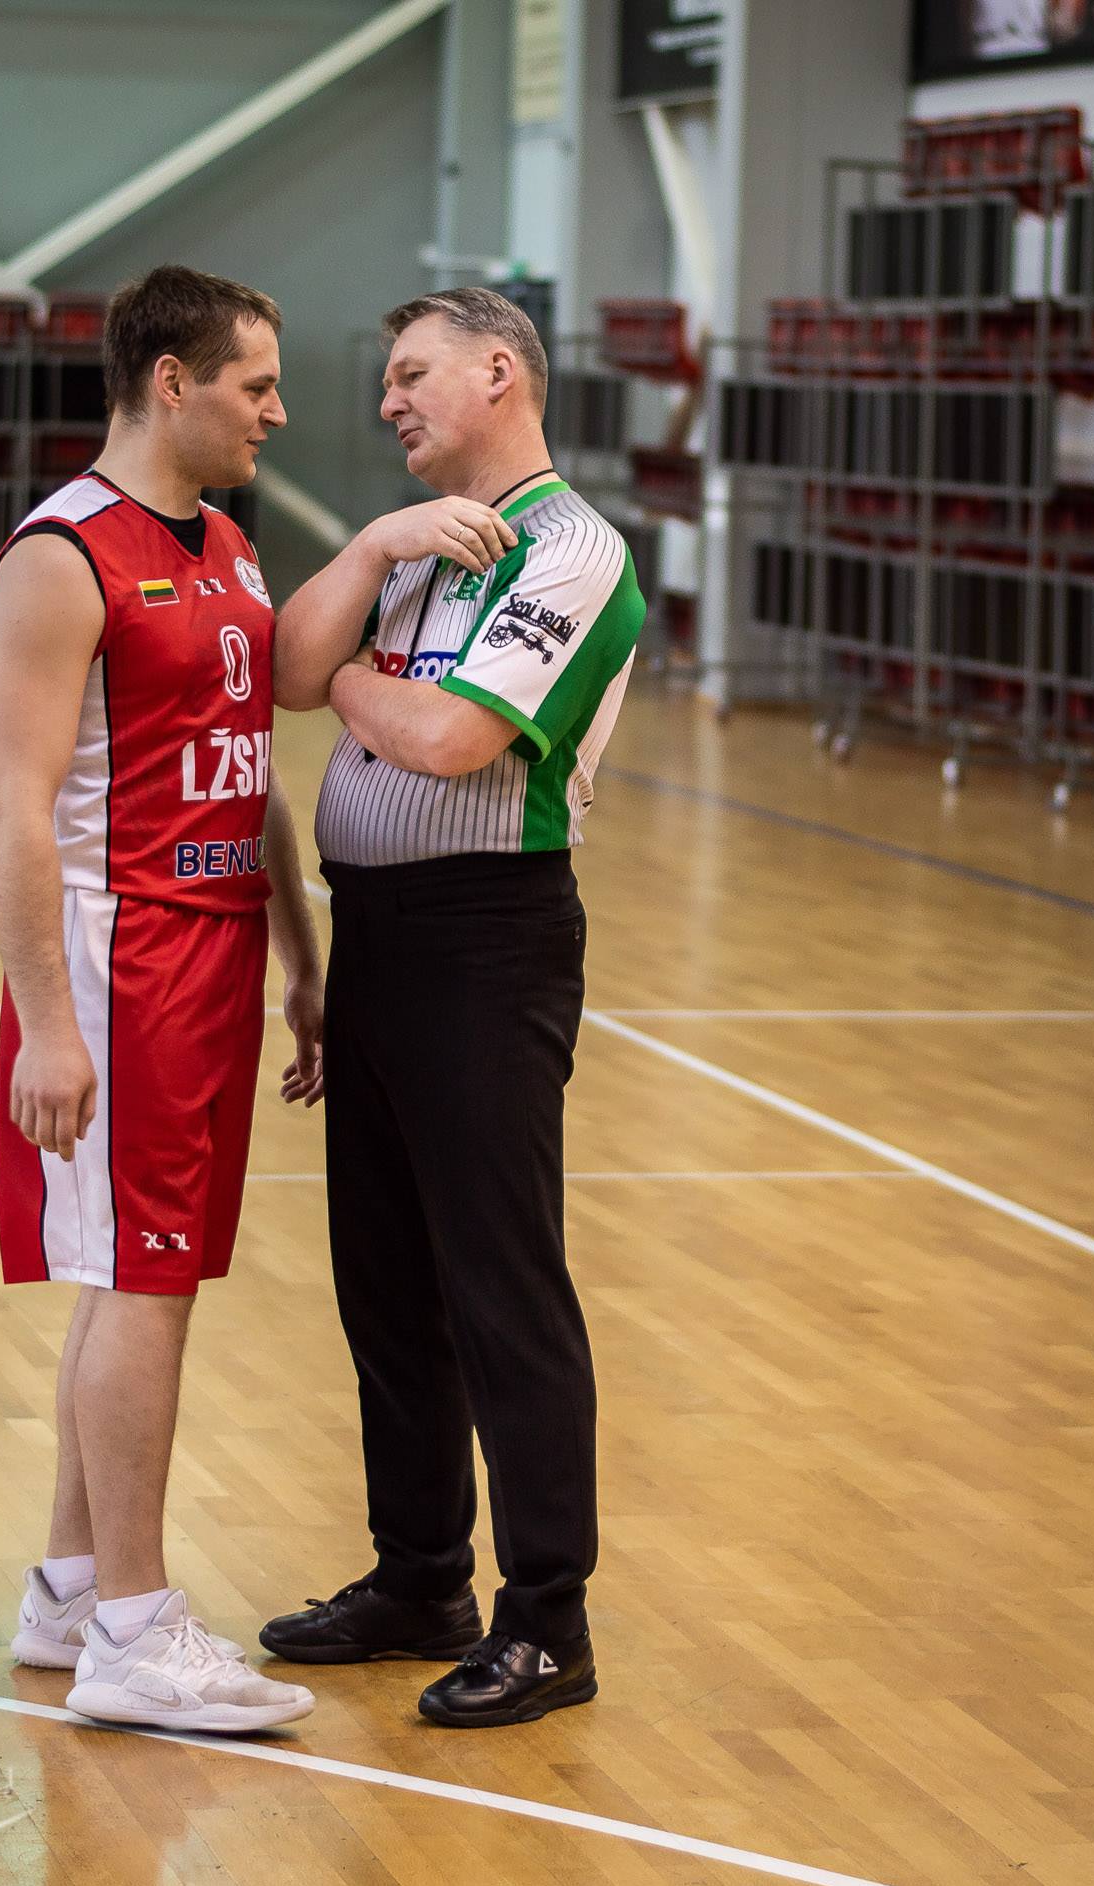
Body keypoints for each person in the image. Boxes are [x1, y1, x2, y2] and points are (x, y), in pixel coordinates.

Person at [261, 288, 647, 1727]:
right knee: (386, 1285)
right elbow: (287, 673)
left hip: (489, 943)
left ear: (499, 372)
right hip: (377, 940)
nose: (387, 401)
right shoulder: (424, 542)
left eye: (412, 374)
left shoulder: (574, 550)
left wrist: (356, 674)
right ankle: (420, 1578)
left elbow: (444, 738)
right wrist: (373, 547)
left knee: (502, 1290)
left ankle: (548, 1620)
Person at [0, 264, 321, 1735]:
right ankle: (133, 1625)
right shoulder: (63, 557)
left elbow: (251, 774)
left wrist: (301, 959)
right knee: (147, 1280)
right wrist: (50, 1024)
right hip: (122, 961)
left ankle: (70, 1592)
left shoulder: (231, 545)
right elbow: (13, 808)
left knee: (133, 1273)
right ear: (169, 382)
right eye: (256, 384)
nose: (277, 411)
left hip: (219, 953)